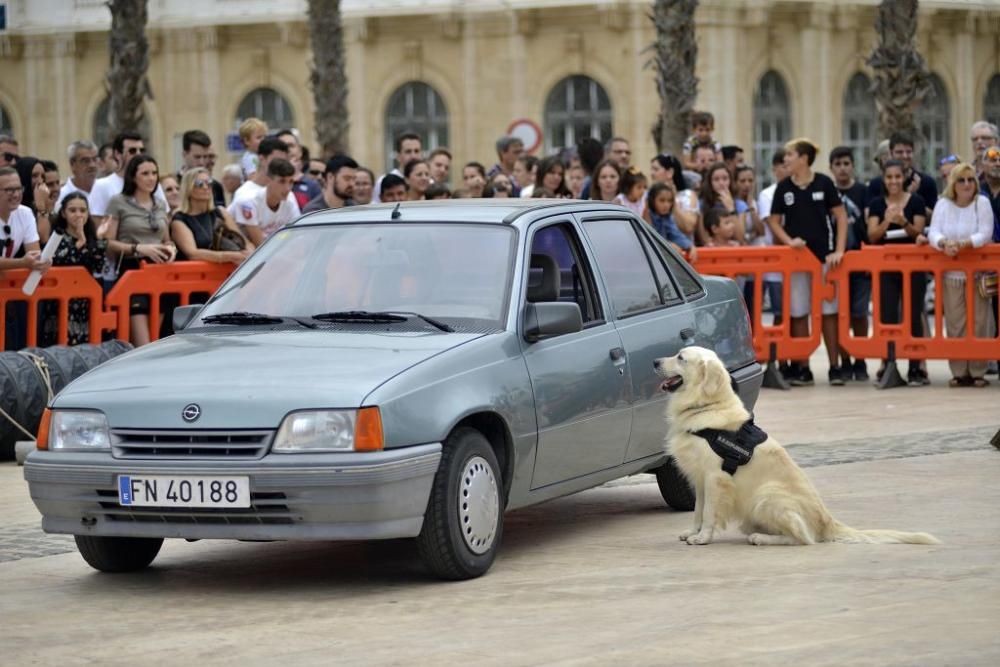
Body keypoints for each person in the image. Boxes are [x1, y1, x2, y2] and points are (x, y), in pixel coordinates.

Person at [766, 138, 849, 386]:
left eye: (790, 155)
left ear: (803, 158)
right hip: (797, 262)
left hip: (824, 260)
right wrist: (789, 241)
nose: (786, 159)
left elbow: (841, 216)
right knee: (799, 312)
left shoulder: (824, 182)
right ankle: (804, 367)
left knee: (829, 313)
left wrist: (839, 250)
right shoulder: (783, 188)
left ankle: (835, 367)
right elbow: (772, 221)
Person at [923, 163, 996, 387]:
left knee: (980, 322)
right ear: (953, 184)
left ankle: (978, 371)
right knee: (955, 322)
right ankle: (958, 371)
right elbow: (933, 231)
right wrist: (944, 243)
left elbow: (985, 232)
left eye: (971, 180)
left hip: (977, 273)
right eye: (961, 180)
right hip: (951, 273)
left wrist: (964, 244)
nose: (967, 184)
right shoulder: (943, 204)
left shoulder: (981, 203)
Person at [98, 154, 176, 347]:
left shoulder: (160, 203)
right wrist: (138, 248)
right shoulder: (118, 202)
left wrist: (171, 249)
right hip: (132, 271)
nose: (151, 178)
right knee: (142, 344)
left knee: (157, 341)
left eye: (154, 173)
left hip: (159, 273)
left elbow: (167, 239)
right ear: (133, 176)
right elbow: (108, 243)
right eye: (145, 173)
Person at [867, 159, 929, 386]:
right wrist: (887, 221)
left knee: (913, 315)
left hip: (913, 266)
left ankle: (916, 366)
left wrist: (903, 221)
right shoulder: (876, 203)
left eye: (897, 177)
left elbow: (919, 234)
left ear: (904, 178)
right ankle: (888, 363)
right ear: (884, 179)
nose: (893, 181)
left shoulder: (917, 201)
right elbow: (872, 235)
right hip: (886, 267)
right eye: (889, 177)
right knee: (887, 316)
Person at [829, 146, 872, 381]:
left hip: (859, 261)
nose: (843, 168)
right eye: (838, 164)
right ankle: (844, 360)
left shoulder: (863, 191)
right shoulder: (829, 192)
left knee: (859, 312)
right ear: (831, 168)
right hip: (837, 264)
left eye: (847, 163)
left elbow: (867, 226)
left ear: (852, 165)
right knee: (840, 313)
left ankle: (861, 359)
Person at [46, 193, 108, 345]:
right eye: (73, 210)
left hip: (87, 303)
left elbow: (99, 266)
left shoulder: (93, 238)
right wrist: (79, 242)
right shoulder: (57, 236)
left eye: (83, 210)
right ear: (63, 213)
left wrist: (98, 239)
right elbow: (61, 261)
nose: (78, 215)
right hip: (61, 302)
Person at [0, 166, 51, 350]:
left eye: (18, 189)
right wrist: (23, 262)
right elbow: (27, 260)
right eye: (9, 190)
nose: (15, 194)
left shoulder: (25, 213)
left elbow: (34, 253)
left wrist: (41, 262)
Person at [170, 167, 252, 264]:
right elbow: (193, 253)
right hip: (197, 275)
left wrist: (251, 254)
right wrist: (228, 256)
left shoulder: (221, 212)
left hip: (230, 270)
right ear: (188, 188)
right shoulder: (180, 220)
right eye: (199, 184)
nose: (205, 187)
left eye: (209, 183)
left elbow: (243, 240)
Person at [89, 131, 166, 218]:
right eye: (132, 151)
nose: (138, 154)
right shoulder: (102, 185)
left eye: (142, 150)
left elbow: (165, 217)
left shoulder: (151, 182)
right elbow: (97, 223)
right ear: (117, 154)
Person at [230, 158, 300, 245]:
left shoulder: (290, 198)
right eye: (282, 181)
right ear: (268, 180)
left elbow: (295, 234)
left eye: (291, 182)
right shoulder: (249, 201)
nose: (288, 188)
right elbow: (260, 245)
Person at [868, 132, 937, 217]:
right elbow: (871, 219)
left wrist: (914, 199)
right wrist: (906, 195)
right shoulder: (876, 184)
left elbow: (934, 218)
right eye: (899, 152)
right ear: (891, 153)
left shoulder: (927, 182)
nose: (905, 156)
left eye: (908, 152)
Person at [757, 148, 789, 327]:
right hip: (776, 263)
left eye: (789, 165)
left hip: (798, 260)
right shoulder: (767, 194)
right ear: (774, 169)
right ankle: (778, 355)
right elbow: (774, 228)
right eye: (783, 166)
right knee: (780, 314)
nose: (787, 170)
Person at [228, 136, 289, 206]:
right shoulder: (245, 194)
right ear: (262, 159)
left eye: (284, 162)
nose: (280, 166)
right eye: (276, 161)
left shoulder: (286, 193)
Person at [699, 162, 746, 245]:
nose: (721, 183)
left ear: (730, 181)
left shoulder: (739, 204)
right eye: (716, 179)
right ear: (710, 183)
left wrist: (731, 208)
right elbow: (704, 238)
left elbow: (740, 238)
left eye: (725, 179)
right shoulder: (702, 204)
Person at [274, 129, 321, 210]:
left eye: (291, 145)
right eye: (282, 146)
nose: (288, 150)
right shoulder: (269, 183)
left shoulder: (313, 186)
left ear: (300, 151)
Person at [179, 130, 226, 207]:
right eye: (197, 157)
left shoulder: (215, 186)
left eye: (205, 157)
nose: (202, 162)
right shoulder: (173, 185)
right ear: (184, 155)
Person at [374, 132, 423, 204]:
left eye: (416, 151)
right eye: (408, 151)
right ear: (398, 156)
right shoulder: (382, 181)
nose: (413, 156)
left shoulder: (429, 181)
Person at [646, 181, 694, 253]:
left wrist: (689, 245)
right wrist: (668, 245)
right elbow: (649, 239)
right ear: (652, 200)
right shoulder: (647, 215)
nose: (666, 205)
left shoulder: (667, 217)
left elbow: (675, 234)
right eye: (662, 200)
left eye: (669, 201)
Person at [56, 140, 99, 210]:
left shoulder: (105, 189)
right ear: (72, 164)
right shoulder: (62, 196)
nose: (92, 165)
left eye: (95, 159)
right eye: (85, 161)